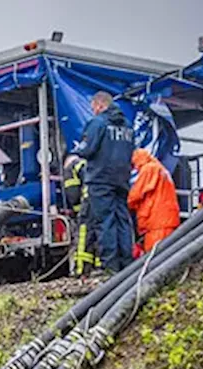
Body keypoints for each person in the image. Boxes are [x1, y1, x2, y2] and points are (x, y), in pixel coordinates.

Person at [65, 91, 134, 273]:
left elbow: (87, 149)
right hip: (122, 180)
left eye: (93, 107)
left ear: (100, 105)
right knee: (122, 221)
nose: (93, 111)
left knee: (105, 222)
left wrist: (74, 154)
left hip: (101, 180)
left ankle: (109, 266)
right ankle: (126, 264)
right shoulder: (127, 126)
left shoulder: (97, 123)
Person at [127, 149, 181, 255]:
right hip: (166, 220)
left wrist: (124, 204)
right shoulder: (160, 168)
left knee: (155, 258)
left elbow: (135, 194)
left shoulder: (149, 169)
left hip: (157, 223)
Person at [63, 157, 101, 276]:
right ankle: (99, 265)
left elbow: (73, 193)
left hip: (87, 203)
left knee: (84, 234)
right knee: (99, 232)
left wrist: (77, 211)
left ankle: (80, 269)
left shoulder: (70, 169)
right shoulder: (88, 163)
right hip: (100, 200)